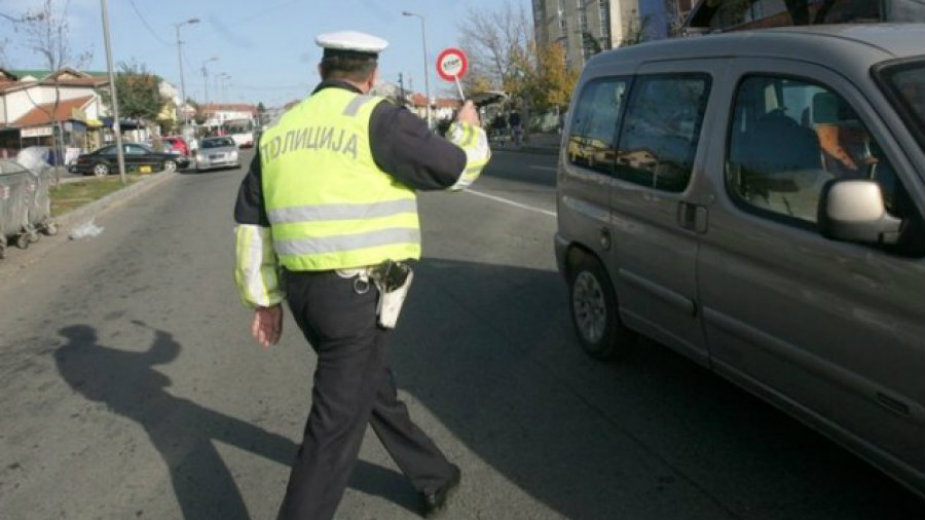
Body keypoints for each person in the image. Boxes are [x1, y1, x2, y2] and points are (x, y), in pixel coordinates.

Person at [232, 30, 490, 520]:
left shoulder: (279, 130)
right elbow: (456, 169)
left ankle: (434, 474)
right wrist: (468, 129)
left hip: (305, 296)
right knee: (332, 431)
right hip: (357, 296)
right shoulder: (378, 118)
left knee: (369, 388)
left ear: (320, 72)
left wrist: (264, 298)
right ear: (372, 76)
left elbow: (251, 222)